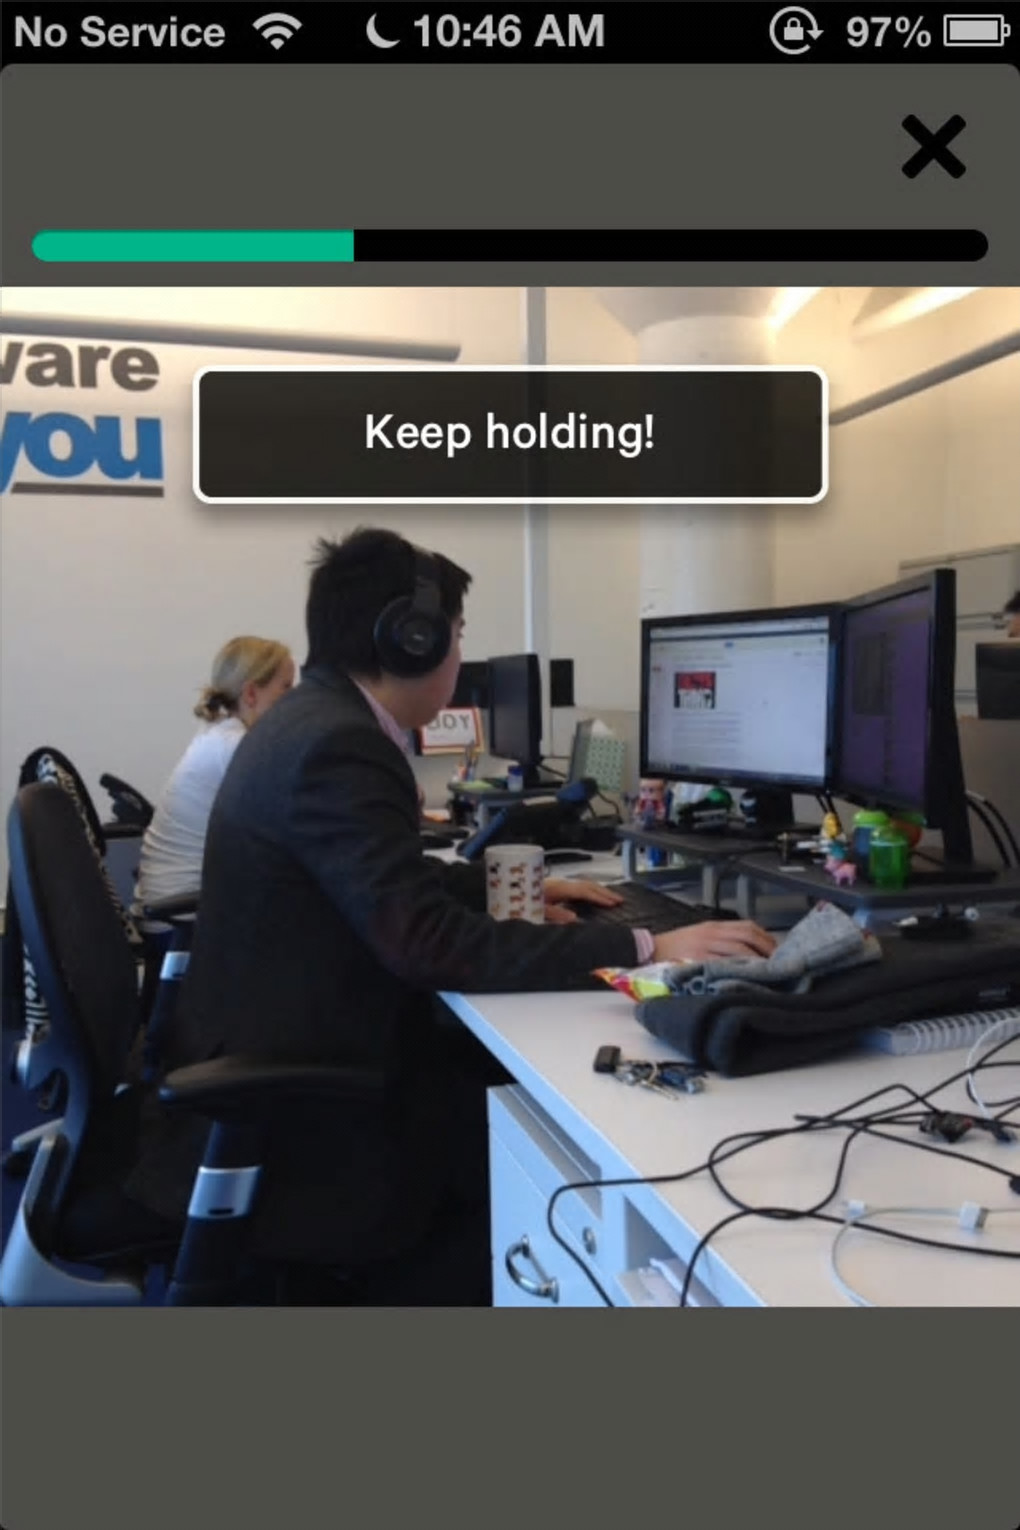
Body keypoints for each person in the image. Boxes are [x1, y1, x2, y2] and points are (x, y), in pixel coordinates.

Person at [126, 529, 774, 1303]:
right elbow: (426, 944)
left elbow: (379, 881)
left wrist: (514, 889)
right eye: (456, 633)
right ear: (412, 639)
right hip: (310, 1117)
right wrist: (646, 943)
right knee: (555, 1139)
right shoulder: (338, 743)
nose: (460, 654)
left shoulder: (312, 719)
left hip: (279, 1038)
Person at [134, 636, 295, 906]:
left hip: (175, 906)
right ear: (251, 693)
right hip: (186, 912)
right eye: (286, 687)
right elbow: (291, 822)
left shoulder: (220, 734)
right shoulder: (234, 746)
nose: (296, 699)